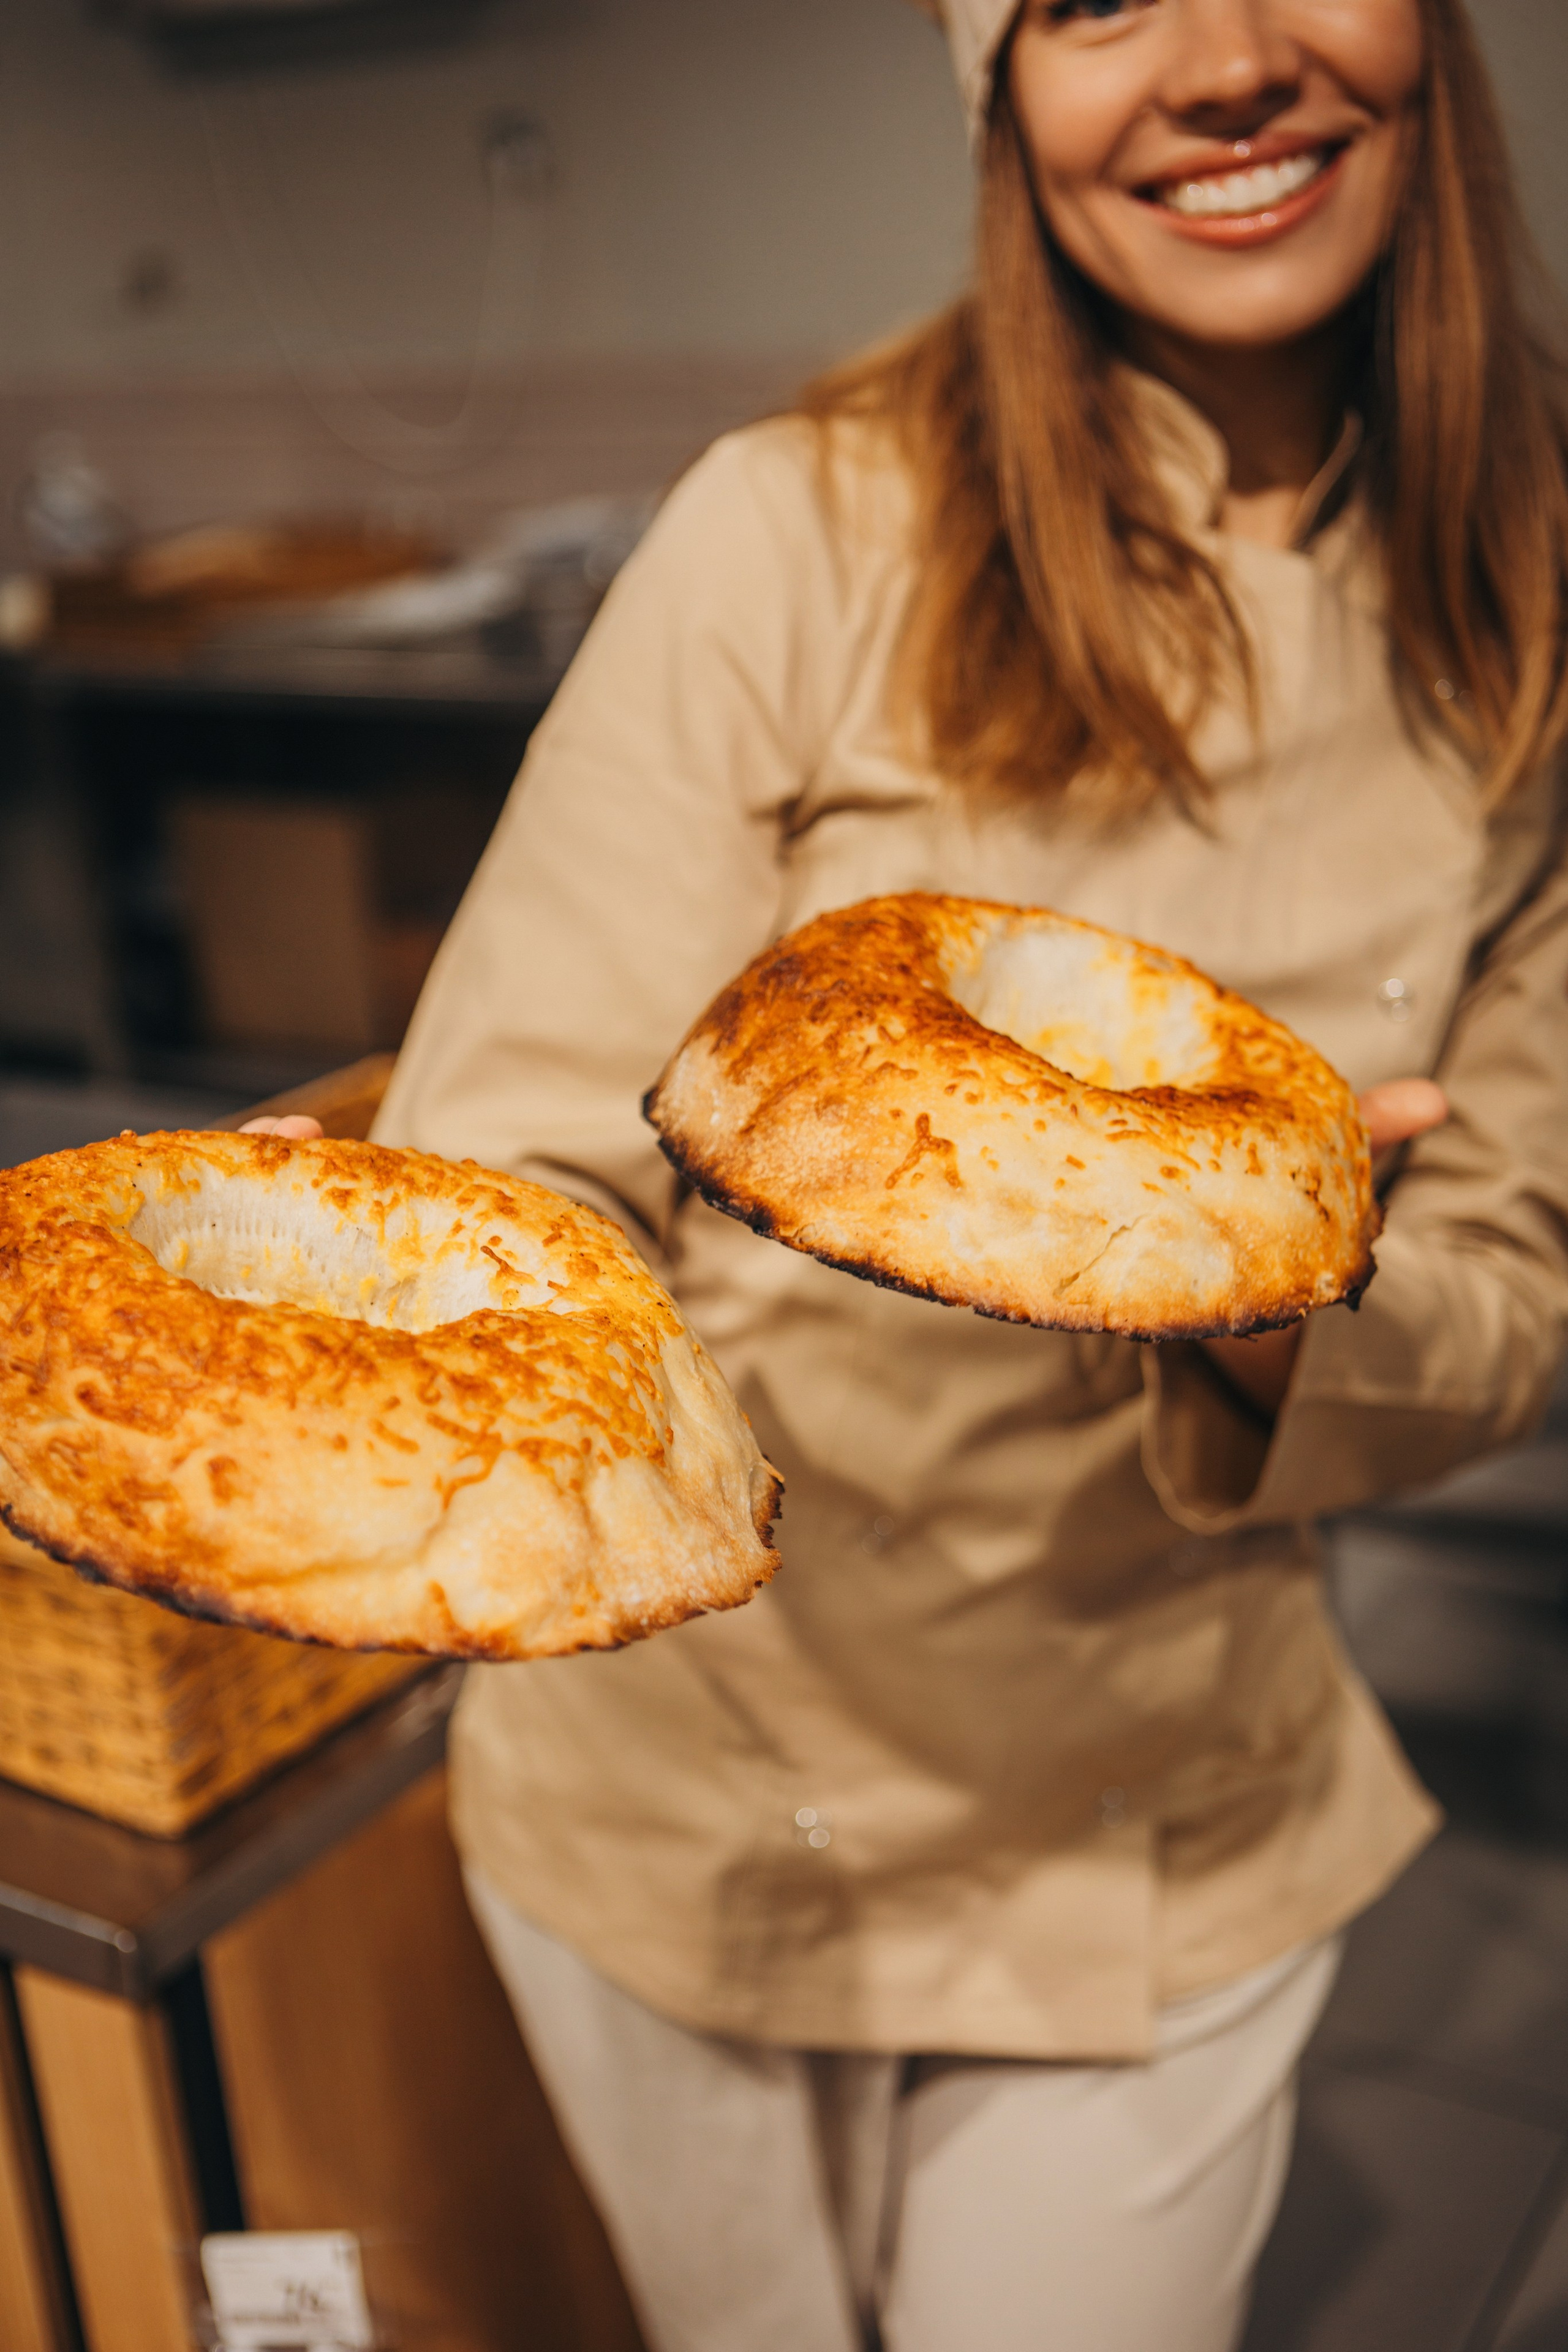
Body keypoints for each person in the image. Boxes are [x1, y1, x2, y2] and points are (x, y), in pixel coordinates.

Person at [282, 2, 1568, 2345]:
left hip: (1159, 1794)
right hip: (695, 1762)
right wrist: (393, 1373)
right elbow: (527, 1148)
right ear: (999, 88)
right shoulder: (802, 526)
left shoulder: (1538, 610)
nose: (1224, 63)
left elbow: (1510, 1282)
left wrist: (1283, 1299)